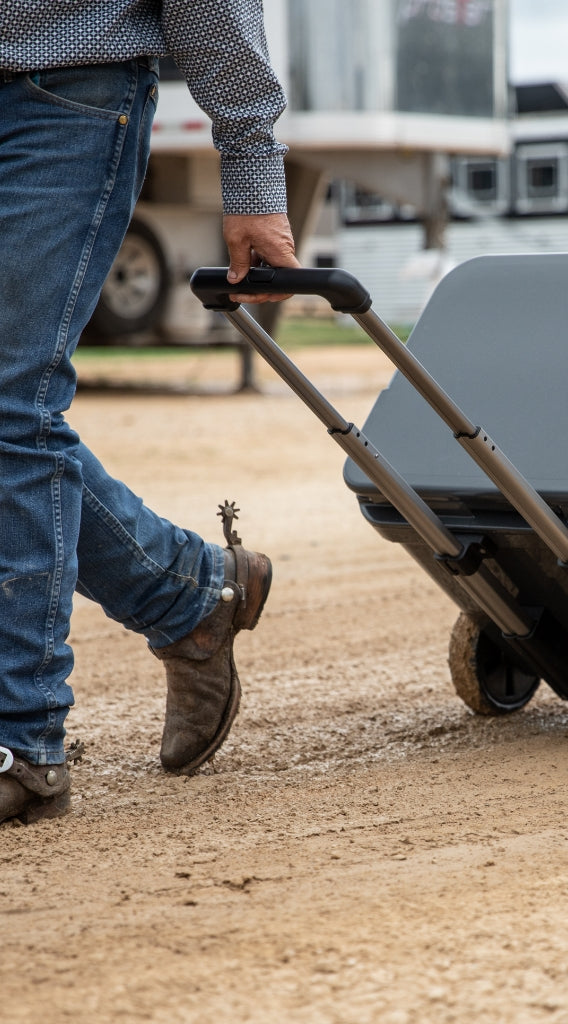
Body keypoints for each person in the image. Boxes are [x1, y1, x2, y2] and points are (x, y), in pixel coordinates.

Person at [0, 1, 301, 824]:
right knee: (6, 415)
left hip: (62, 91)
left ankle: (22, 742)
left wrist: (250, 169)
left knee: (7, 403)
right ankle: (189, 593)